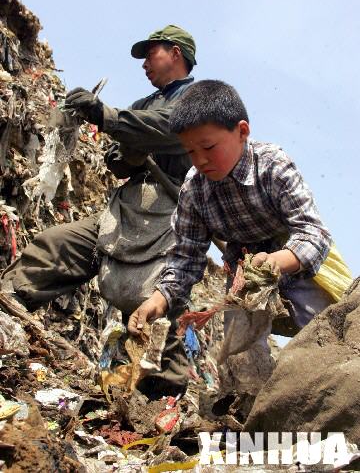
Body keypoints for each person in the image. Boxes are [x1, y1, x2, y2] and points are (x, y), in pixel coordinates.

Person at [1, 24, 197, 397]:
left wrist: (106, 116)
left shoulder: (198, 98)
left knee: (157, 302)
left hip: (174, 212)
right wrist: (121, 157)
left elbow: (170, 129)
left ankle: (161, 397)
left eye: (149, 55)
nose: (143, 65)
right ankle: (9, 303)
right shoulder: (142, 105)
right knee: (57, 245)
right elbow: (125, 161)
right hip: (129, 206)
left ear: (176, 53)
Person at [128, 79, 348, 336]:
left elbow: (313, 234)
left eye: (209, 147)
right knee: (239, 357)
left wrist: (275, 261)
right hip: (243, 276)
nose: (200, 160)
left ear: (242, 132)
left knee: (324, 337)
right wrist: (158, 299)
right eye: (190, 151)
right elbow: (186, 259)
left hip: (297, 265)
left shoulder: (272, 165)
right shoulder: (194, 190)